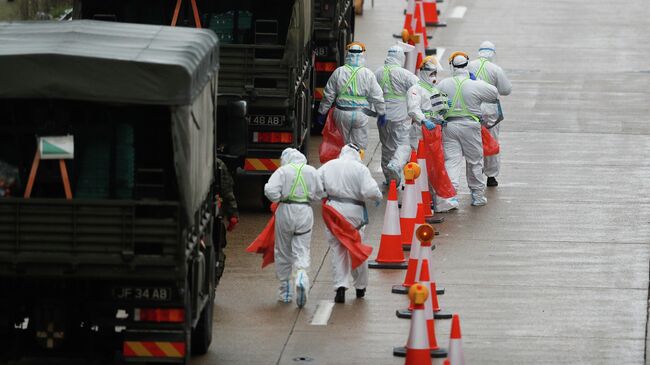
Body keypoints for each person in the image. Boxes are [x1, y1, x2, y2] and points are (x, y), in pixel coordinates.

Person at [318, 144, 382, 303]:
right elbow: (370, 191)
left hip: (333, 212)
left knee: (338, 249)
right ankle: (360, 287)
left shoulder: (328, 166)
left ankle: (340, 286)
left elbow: (315, 186)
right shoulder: (360, 169)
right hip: (354, 213)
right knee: (356, 247)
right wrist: (378, 198)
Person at [436, 52, 498, 209]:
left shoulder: (444, 83)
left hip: (449, 126)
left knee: (452, 161)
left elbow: (435, 103)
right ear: (467, 65)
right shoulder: (474, 84)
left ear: (452, 66)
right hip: (470, 126)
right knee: (474, 161)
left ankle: (449, 197)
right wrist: (475, 80)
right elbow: (494, 94)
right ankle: (477, 196)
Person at [264, 148, 325, 308]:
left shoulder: (282, 171)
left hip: (285, 211)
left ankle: (285, 291)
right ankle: (301, 276)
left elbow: (270, 190)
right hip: (304, 211)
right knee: (302, 249)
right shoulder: (311, 171)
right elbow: (320, 193)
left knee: (283, 250)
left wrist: (279, 198)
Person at [317, 42, 386, 152]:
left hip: (341, 114)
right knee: (359, 146)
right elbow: (377, 96)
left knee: (342, 146)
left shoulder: (338, 72)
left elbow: (328, 95)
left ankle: (344, 166)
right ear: (362, 56)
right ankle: (356, 165)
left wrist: (322, 112)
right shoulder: (368, 74)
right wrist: (381, 113)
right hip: (361, 114)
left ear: (347, 55)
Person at [468, 41, 512, 187]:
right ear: (493, 53)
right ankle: (491, 176)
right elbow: (506, 89)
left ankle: (474, 174)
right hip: (490, 111)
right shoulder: (495, 69)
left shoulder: (468, 65)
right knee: (491, 141)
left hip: (471, 107)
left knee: (472, 143)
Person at [374, 45, 419, 185]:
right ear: (401, 58)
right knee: (404, 144)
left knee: (387, 146)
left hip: (382, 116)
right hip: (400, 116)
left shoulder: (378, 72)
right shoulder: (404, 74)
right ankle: (396, 164)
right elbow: (419, 87)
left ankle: (390, 179)